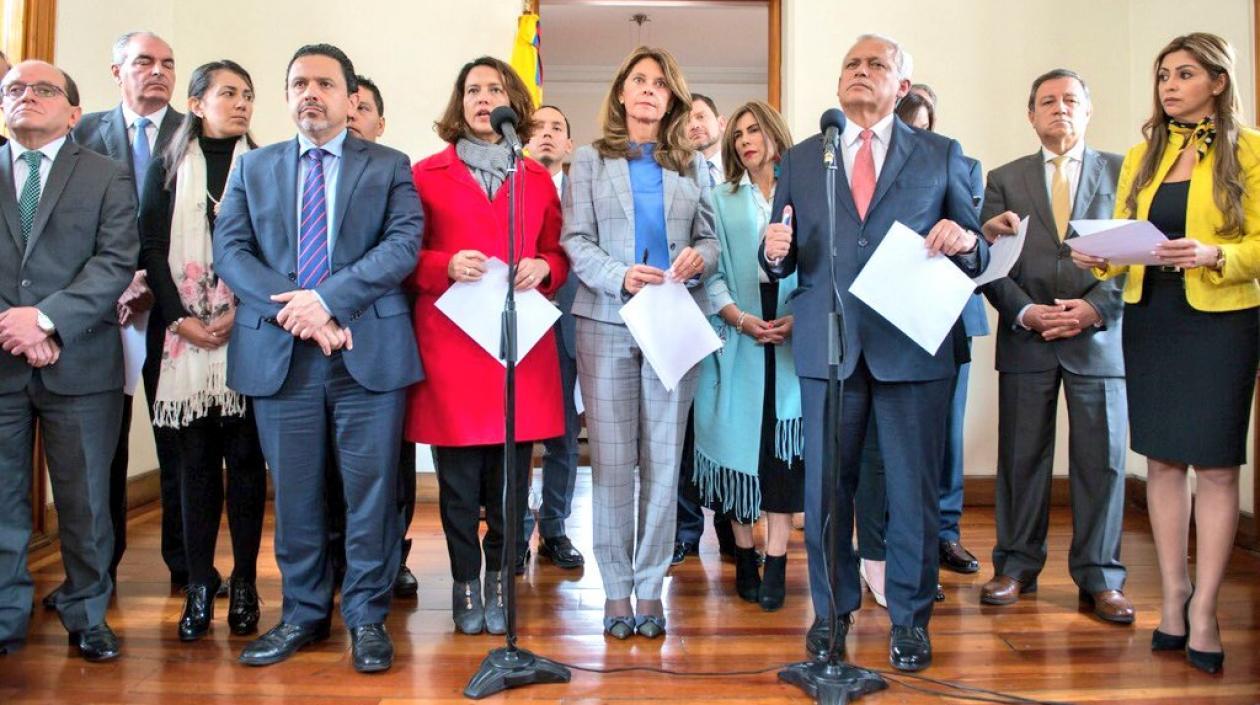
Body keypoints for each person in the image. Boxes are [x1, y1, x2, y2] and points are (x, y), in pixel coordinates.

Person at [761, 34, 989, 672]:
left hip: (911, 347)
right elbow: (779, 250)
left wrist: (963, 239)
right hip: (827, 349)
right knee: (827, 490)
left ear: (902, 87)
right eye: (851, 66)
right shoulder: (806, 158)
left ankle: (911, 620)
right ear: (838, 86)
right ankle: (831, 615)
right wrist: (772, 250)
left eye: (876, 65)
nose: (861, 73)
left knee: (912, 492)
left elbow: (980, 252)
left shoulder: (940, 154)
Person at [214, 43, 423, 673]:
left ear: (350, 97)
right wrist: (298, 311)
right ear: (286, 96)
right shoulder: (254, 170)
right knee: (297, 494)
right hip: (283, 357)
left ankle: (366, 617)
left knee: (370, 494)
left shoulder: (388, 165)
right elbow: (232, 252)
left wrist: (327, 301)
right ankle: (303, 614)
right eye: (299, 82)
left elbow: (403, 244)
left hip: (367, 353)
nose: (311, 92)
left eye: (324, 83)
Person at [1072, 32, 1260, 675]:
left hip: (1221, 321)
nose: (1169, 86)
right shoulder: (1142, 155)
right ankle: (1173, 598)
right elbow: (1129, 233)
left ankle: (1205, 607)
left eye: (1183, 74)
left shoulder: (1252, 150)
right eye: (1163, 76)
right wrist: (1102, 254)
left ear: (1218, 81)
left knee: (1213, 465)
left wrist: (1217, 254)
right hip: (1151, 315)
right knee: (1161, 462)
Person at [562, 46, 719, 640]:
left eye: (660, 84)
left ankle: (650, 587)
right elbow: (575, 239)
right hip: (606, 320)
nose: (649, 91)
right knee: (611, 463)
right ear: (622, 94)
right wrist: (618, 274)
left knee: (661, 460)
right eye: (639, 81)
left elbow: (710, 240)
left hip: (673, 320)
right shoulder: (589, 159)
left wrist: (698, 258)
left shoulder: (692, 164)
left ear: (671, 97)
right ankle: (616, 588)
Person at [408, 56, 568, 636]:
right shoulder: (425, 174)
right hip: (451, 348)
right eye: (472, 89)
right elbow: (406, 255)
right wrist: (442, 263)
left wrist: (542, 267)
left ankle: (502, 580)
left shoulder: (538, 178)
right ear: (459, 102)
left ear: (512, 102)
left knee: (509, 487)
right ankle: (463, 582)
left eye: (493, 89)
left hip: (515, 350)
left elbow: (558, 254)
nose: (482, 98)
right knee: (456, 489)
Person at [979, 69, 1131, 623]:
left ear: (1088, 110)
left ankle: (1102, 576)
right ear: (1031, 115)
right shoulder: (1004, 178)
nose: (1059, 108)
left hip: (1100, 339)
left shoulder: (1125, 170)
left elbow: (1139, 252)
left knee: (1104, 463)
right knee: (1021, 460)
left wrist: (1097, 307)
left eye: (1070, 100)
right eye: (1047, 101)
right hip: (1027, 337)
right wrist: (1023, 309)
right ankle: (1016, 567)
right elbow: (987, 260)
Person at [0, 60, 139, 661]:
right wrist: (15, 326)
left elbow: (114, 262)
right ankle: (7, 617)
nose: (26, 97)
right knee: (2, 501)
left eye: (43, 89)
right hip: (2, 360)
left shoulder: (107, 175)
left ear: (75, 112)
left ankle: (87, 615)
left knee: (84, 502)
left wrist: (46, 319)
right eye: (14, 89)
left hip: (81, 364)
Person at [137, 60, 267, 642]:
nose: (240, 104)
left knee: (244, 467)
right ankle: (197, 584)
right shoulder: (166, 168)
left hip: (249, 335)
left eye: (248, 95)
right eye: (228, 94)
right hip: (182, 342)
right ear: (196, 103)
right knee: (193, 470)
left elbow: (277, 248)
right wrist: (181, 320)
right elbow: (151, 247)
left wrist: (244, 310)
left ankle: (244, 583)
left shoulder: (264, 167)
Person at [857, 86, 989, 608]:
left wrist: (967, 237)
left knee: (935, 447)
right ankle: (879, 556)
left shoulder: (956, 162)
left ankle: (935, 543)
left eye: (923, 126)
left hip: (939, 324)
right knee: (875, 456)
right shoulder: (854, 169)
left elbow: (974, 245)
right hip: (876, 325)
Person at [70, 31, 187, 594]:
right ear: (116, 70)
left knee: (178, 442)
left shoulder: (195, 132)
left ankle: (187, 567)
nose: (157, 72)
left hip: (172, 310)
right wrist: (114, 284)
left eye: (167, 63)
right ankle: (99, 570)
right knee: (102, 446)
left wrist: (154, 284)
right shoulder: (82, 133)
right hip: (101, 313)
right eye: (144, 61)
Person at [692, 100, 803, 610]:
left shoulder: (804, 194)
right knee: (741, 454)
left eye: (754, 130)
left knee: (782, 456)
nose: (744, 140)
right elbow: (710, 274)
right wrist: (737, 316)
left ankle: (778, 560)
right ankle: (746, 554)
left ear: (776, 134)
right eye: (737, 134)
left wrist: (798, 318)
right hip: (738, 331)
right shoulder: (719, 197)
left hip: (791, 333)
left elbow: (826, 264)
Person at [327, 73, 419, 599]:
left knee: (388, 472)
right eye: (349, 104)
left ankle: (389, 560)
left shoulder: (393, 172)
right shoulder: (297, 174)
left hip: (379, 341)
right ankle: (334, 564)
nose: (353, 114)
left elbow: (400, 251)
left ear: (378, 124)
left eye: (363, 109)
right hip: (310, 341)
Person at [520, 103, 586, 572]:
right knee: (519, 434)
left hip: (570, 323)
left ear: (568, 145)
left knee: (563, 434)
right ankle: (517, 528)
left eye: (556, 128)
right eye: (536, 127)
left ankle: (556, 527)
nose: (545, 134)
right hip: (519, 325)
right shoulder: (511, 189)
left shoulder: (584, 193)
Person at [674, 91, 737, 566]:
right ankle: (685, 530)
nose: (694, 125)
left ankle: (732, 526)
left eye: (701, 116)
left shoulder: (745, 176)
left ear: (720, 121)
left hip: (739, 321)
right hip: (686, 312)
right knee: (687, 425)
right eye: (686, 120)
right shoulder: (675, 175)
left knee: (729, 421)